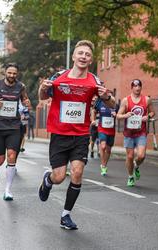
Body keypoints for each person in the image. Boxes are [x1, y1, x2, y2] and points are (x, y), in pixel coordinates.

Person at [38, 40, 115, 230]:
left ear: (90, 60)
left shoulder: (94, 81)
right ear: (73, 56)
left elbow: (112, 104)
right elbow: (42, 96)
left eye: (87, 55)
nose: (83, 57)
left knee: (77, 173)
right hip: (59, 134)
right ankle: (48, 180)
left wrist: (106, 96)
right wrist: (42, 88)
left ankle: (66, 215)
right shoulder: (58, 77)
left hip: (80, 135)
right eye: (80, 53)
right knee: (59, 177)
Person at [0, 63, 30, 201]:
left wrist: (27, 102)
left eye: (14, 73)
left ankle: (8, 190)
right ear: (5, 72)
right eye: (9, 73)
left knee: (11, 156)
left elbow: (25, 99)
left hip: (14, 126)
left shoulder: (21, 86)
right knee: (0, 159)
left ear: (17, 74)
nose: (12, 76)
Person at [116, 79, 155, 187]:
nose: (137, 88)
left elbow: (152, 112)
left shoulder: (146, 100)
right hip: (129, 134)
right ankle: (130, 176)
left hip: (141, 132)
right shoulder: (126, 100)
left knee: (141, 155)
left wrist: (148, 116)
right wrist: (125, 115)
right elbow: (118, 116)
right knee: (129, 156)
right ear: (132, 87)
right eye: (135, 86)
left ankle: (136, 166)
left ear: (141, 87)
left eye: (139, 86)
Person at [93, 95, 119, 176]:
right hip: (102, 128)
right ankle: (103, 165)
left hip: (111, 130)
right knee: (103, 146)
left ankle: (104, 165)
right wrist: (93, 120)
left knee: (108, 150)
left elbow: (120, 115)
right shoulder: (100, 103)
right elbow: (93, 111)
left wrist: (116, 115)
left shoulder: (115, 106)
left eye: (111, 97)